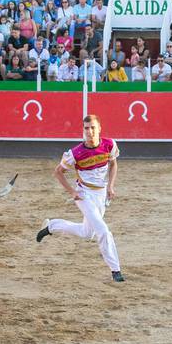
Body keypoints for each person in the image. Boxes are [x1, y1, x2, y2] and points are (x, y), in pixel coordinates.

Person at [36, 114, 124, 283]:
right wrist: (72, 192)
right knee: (103, 231)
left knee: (87, 233)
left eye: (92, 128)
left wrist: (111, 186)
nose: (89, 132)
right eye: (86, 128)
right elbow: (57, 172)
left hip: (101, 193)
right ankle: (116, 270)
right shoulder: (76, 153)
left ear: (99, 129)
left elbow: (113, 164)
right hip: (84, 194)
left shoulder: (109, 144)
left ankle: (51, 226)